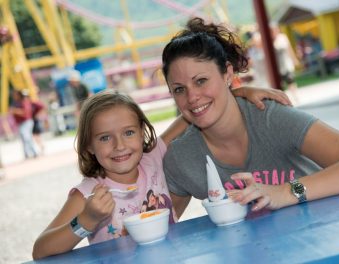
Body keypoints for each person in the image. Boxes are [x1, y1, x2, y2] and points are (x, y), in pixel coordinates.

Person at [32, 87, 288, 259]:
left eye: (129, 133)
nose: (119, 145)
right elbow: (41, 250)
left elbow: (193, 112)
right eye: (104, 138)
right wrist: (86, 221)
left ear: (143, 132)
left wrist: (239, 92)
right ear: (88, 145)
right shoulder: (88, 194)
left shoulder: (151, 159)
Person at [161, 17, 339, 219]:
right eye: (179, 89)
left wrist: (285, 192)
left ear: (227, 73)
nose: (192, 97)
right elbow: (158, 224)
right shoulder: (183, 157)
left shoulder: (268, 117)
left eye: (201, 81)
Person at [271, 24, 301, 104]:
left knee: (291, 80)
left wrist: (294, 59)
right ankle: (283, 100)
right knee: (281, 84)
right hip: (278, 66)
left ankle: (295, 97)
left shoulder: (282, 37)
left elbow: (289, 48)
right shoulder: (270, 40)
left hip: (286, 63)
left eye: (276, 29)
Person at [9, 89, 38, 159]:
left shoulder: (24, 101)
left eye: (15, 94)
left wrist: (15, 111)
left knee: (26, 137)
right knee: (24, 138)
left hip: (26, 121)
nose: (14, 96)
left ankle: (33, 152)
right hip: (21, 122)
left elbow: (25, 113)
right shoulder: (15, 103)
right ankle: (27, 154)